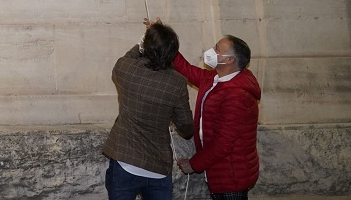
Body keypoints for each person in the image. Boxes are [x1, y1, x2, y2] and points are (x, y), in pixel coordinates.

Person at [102, 21, 194, 200]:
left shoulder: (125, 68)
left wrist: (142, 42)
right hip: (158, 168)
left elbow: (129, 57)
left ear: (146, 46)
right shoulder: (177, 82)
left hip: (125, 161)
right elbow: (186, 127)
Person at [174, 35, 261, 199]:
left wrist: (193, 164)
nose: (211, 51)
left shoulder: (237, 95)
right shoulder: (213, 78)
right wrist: (164, 39)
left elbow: (224, 143)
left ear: (229, 60)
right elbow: (186, 69)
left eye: (217, 49)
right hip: (218, 170)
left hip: (232, 175)